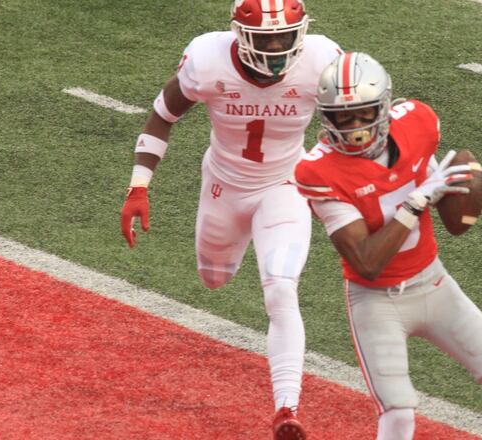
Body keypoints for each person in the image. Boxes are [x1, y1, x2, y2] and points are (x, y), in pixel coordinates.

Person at [293, 52, 482, 439]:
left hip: (433, 282)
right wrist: (416, 202)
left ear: (385, 107)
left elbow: (443, 198)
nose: (354, 127)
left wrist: (460, 189)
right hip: (376, 301)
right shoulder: (319, 170)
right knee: (398, 410)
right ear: (326, 117)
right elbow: (367, 262)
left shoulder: (416, 124)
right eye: (342, 117)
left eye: (363, 114)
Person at [119, 1, 342, 438]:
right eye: (266, 38)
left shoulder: (321, 59)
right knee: (214, 277)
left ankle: (286, 408)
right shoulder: (208, 59)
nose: (277, 48)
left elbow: (351, 126)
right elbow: (163, 116)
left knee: (281, 289)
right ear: (240, 35)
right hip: (224, 185)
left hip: (285, 185)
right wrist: (139, 185)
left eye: (285, 36)